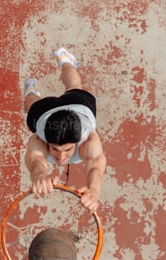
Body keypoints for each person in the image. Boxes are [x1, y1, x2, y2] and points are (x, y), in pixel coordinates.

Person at [22, 47, 107, 212]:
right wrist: (39, 176)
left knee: (73, 85)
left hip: (77, 106)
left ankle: (65, 59)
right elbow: (35, 161)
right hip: (45, 112)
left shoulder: (89, 140)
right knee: (30, 105)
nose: (61, 157)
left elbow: (96, 166)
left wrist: (94, 190)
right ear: (47, 141)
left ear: (77, 142)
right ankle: (31, 89)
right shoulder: (39, 139)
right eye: (54, 148)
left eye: (68, 149)